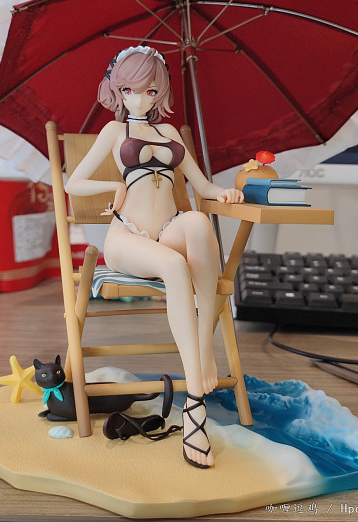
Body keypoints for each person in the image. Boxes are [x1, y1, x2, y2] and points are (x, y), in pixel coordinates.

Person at [65, 46, 244, 469]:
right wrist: (115, 188)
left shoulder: (171, 134)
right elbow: (73, 183)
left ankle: (202, 350)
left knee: (197, 222)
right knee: (174, 265)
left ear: (159, 91)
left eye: (149, 90)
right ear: (117, 90)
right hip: (126, 236)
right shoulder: (114, 130)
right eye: (129, 90)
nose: (139, 99)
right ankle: (196, 403)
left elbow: (201, 186)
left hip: (167, 231)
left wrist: (225, 192)